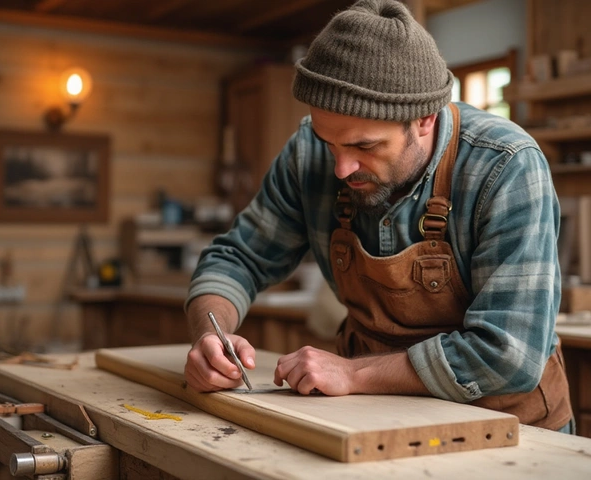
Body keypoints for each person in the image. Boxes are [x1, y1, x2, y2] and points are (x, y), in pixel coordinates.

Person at [184, 0, 573, 432]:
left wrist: (353, 374)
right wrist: (209, 335)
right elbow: (236, 259)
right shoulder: (308, 154)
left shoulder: (506, 166)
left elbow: (508, 354)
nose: (340, 168)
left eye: (364, 146)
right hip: (373, 422)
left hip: (506, 429)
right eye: (330, 142)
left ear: (424, 118)